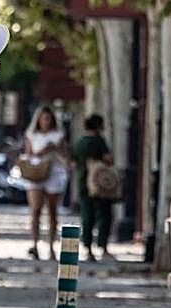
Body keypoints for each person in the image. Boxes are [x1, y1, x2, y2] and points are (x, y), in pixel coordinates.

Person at [21, 105, 69, 260]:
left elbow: (65, 155)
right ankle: (34, 244)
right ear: (38, 119)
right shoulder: (31, 134)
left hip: (54, 172)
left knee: (52, 212)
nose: (45, 121)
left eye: (48, 118)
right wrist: (40, 152)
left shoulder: (58, 135)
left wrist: (54, 148)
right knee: (35, 210)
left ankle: (51, 246)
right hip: (36, 172)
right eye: (43, 118)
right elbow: (28, 154)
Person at [71, 114, 114, 261]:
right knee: (104, 215)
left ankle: (87, 247)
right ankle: (103, 246)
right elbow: (109, 159)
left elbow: (73, 163)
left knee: (87, 215)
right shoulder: (99, 141)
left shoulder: (80, 142)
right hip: (100, 184)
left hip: (83, 182)